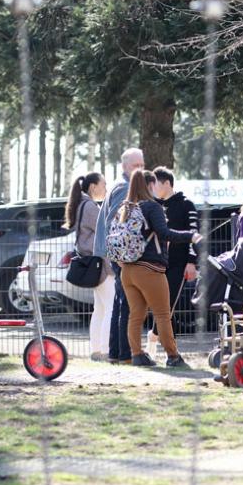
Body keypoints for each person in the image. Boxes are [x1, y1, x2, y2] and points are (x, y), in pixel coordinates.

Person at [116, 169, 202, 367]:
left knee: (136, 315)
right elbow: (164, 233)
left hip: (127, 270)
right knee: (163, 314)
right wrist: (190, 236)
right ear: (150, 185)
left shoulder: (126, 208)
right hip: (150, 268)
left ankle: (137, 354)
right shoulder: (152, 207)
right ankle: (173, 356)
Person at [93, 147, 145, 364]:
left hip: (116, 254)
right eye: (136, 166)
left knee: (120, 302)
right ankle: (125, 353)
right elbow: (116, 224)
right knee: (127, 303)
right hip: (121, 255)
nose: (140, 169)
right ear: (125, 167)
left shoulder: (118, 185)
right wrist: (121, 256)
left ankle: (116, 352)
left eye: (142, 165)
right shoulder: (124, 188)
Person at [64, 172, 114, 361]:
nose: (106, 188)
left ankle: (96, 349)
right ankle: (106, 349)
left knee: (100, 308)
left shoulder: (80, 205)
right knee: (109, 307)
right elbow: (107, 231)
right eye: (104, 184)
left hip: (92, 264)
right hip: (101, 265)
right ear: (93, 187)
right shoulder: (91, 207)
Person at [146, 166, 199, 346]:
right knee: (159, 304)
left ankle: (156, 338)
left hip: (178, 262)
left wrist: (192, 262)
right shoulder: (154, 206)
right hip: (156, 263)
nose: (153, 189)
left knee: (169, 303)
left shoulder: (186, 205)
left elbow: (194, 234)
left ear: (167, 183)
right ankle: (164, 343)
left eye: (156, 185)